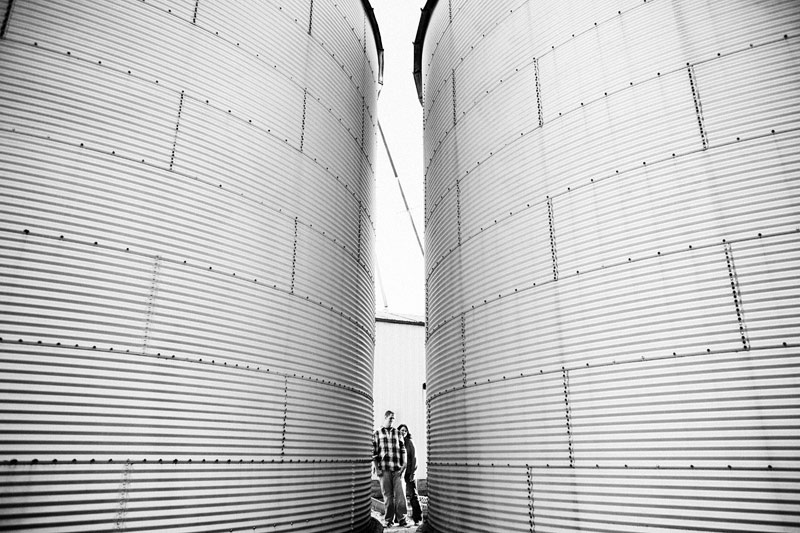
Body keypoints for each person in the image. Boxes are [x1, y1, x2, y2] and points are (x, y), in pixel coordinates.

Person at [373, 410, 407, 527]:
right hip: (384, 470)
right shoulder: (377, 433)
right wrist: (377, 469)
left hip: (397, 469)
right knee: (388, 496)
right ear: (385, 417)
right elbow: (374, 454)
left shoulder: (398, 433)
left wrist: (405, 463)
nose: (392, 420)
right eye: (391, 418)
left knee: (401, 496)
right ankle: (388, 521)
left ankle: (402, 520)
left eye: (394, 418)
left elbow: (403, 449)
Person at [398, 424, 423, 525]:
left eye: (405, 430)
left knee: (413, 495)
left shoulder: (410, 442)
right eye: (401, 430)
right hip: (400, 473)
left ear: (407, 432)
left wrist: (413, 473)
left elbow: (414, 458)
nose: (403, 432)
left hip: (409, 473)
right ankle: (399, 519)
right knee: (399, 496)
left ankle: (418, 519)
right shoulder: (396, 442)